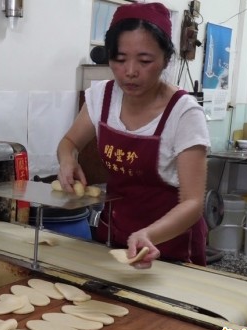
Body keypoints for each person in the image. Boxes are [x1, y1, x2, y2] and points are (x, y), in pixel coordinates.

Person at [56, 2, 210, 268]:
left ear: (165, 59)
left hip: (168, 246)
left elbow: (193, 202)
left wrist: (150, 234)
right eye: (119, 59)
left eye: (144, 60)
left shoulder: (184, 113)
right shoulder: (101, 97)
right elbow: (69, 143)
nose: (130, 71)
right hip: (113, 236)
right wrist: (67, 160)